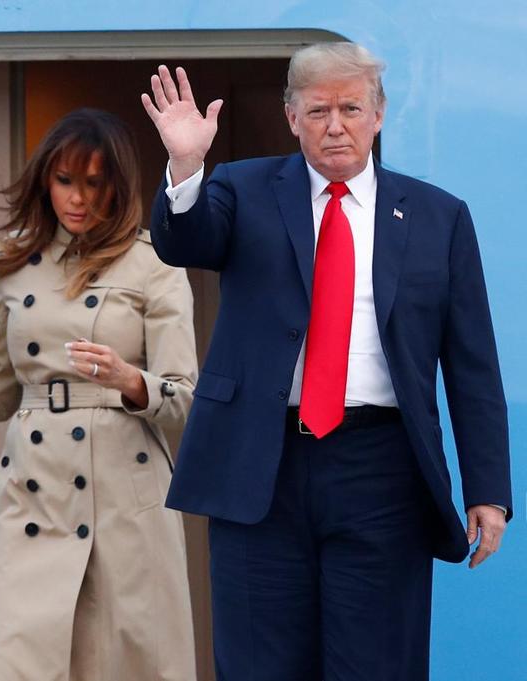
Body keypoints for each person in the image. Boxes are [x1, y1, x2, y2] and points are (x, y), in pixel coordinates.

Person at [141, 42, 512, 681]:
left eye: (350, 109)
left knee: (377, 665)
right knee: (258, 664)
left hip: (382, 471)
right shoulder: (241, 188)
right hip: (261, 466)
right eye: (317, 111)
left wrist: (488, 491)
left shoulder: (439, 216)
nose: (334, 125)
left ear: (378, 114)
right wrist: (186, 165)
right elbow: (186, 242)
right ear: (292, 118)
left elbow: (472, 363)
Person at [0, 108, 198, 681]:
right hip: (32, 498)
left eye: (94, 183)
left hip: (126, 499)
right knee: (14, 663)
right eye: (65, 180)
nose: (78, 198)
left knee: (128, 665)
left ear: (118, 186)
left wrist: (128, 380)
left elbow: (184, 399)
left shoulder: (154, 263)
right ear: (46, 180)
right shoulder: (16, 264)